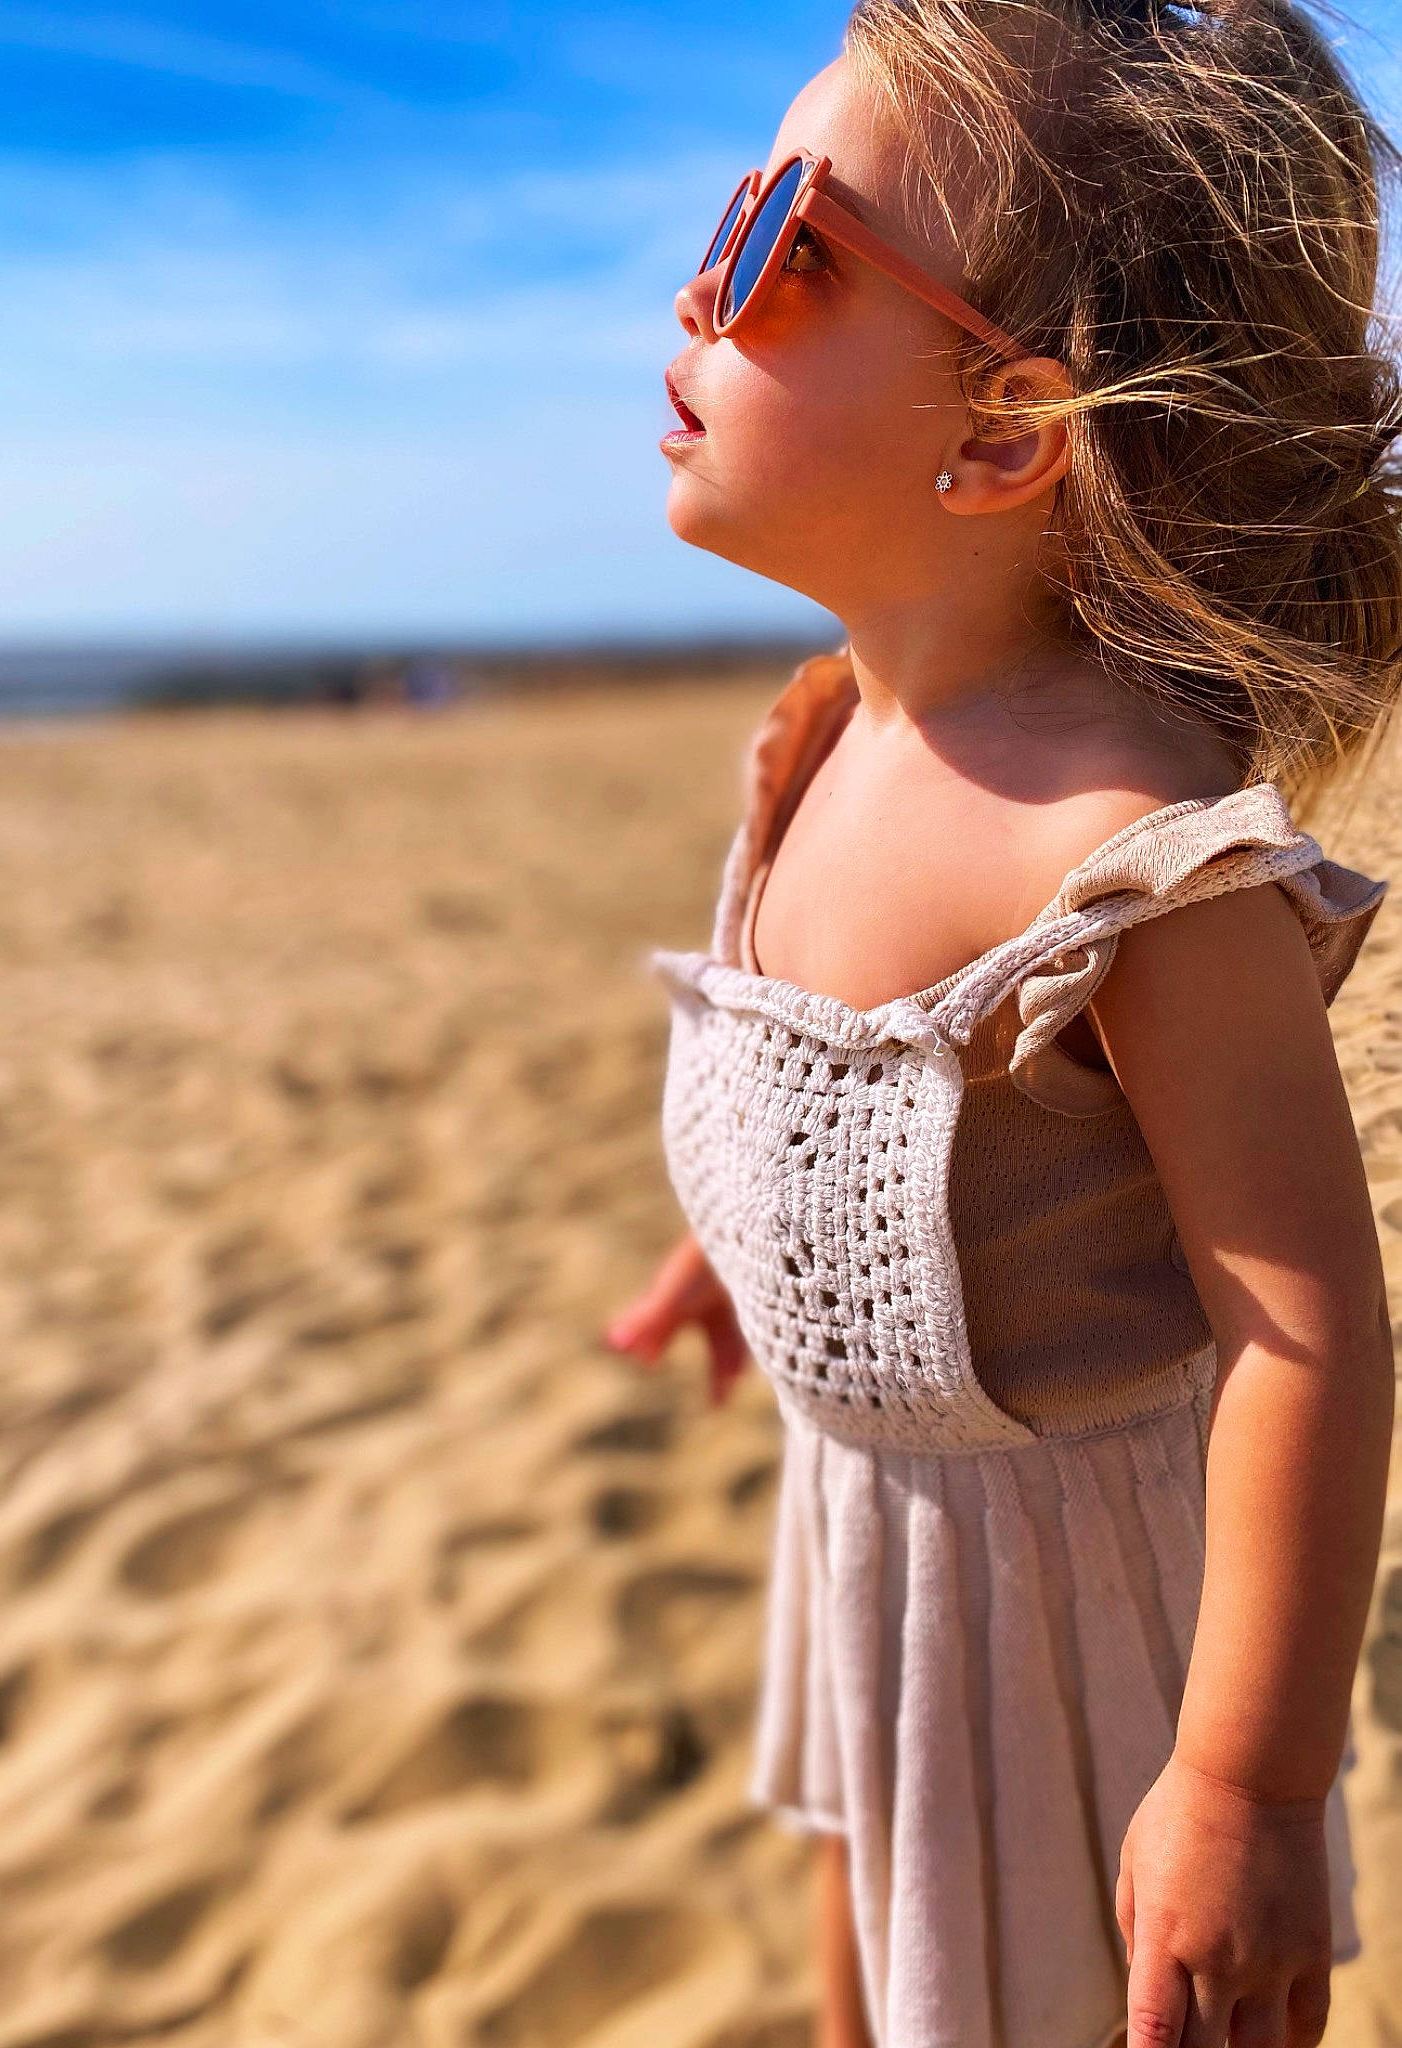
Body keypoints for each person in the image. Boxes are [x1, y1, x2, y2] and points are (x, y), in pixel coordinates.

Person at [603, 5, 1402, 2047]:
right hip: (871, 1545)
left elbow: (1309, 1333)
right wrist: (742, 1245)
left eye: (780, 245)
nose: (695, 290)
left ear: (1002, 433)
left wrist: (1245, 1786)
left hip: (1081, 1642)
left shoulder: (1124, 861)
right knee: (872, 1951)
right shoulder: (823, 737)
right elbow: (834, 1085)